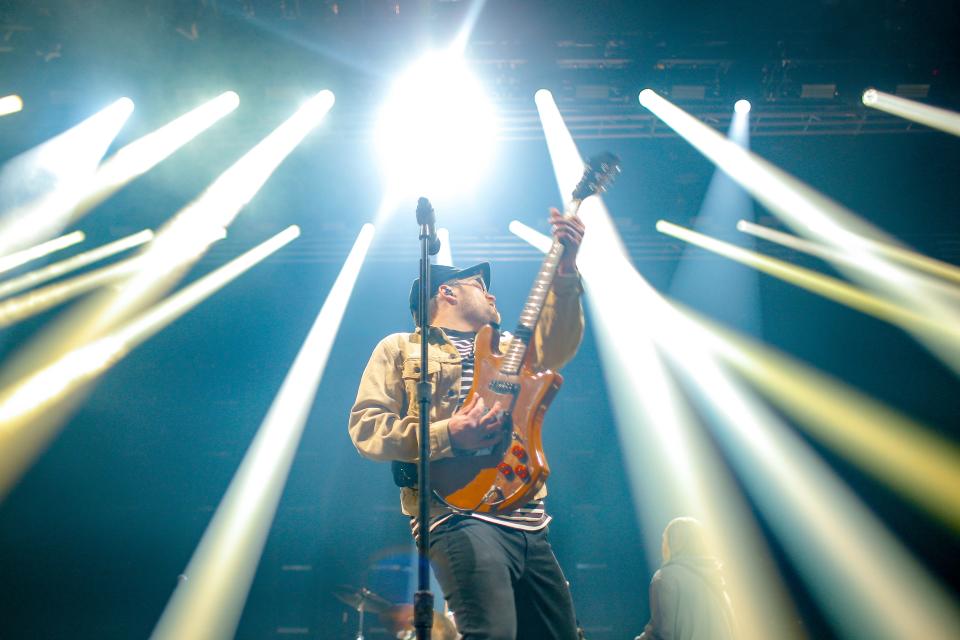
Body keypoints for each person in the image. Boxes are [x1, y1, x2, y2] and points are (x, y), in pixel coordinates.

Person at [348, 208, 586, 640]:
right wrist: (448, 434)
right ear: (447, 292)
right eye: (480, 286)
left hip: (530, 519)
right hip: (457, 514)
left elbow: (558, 345)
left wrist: (566, 272)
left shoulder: (509, 347)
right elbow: (367, 428)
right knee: (491, 633)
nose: (494, 297)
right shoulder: (401, 347)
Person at [635, 517, 737, 640]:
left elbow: (661, 634)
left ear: (673, 543)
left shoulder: (666, 577)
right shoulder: (717, 577)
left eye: (664, 540)